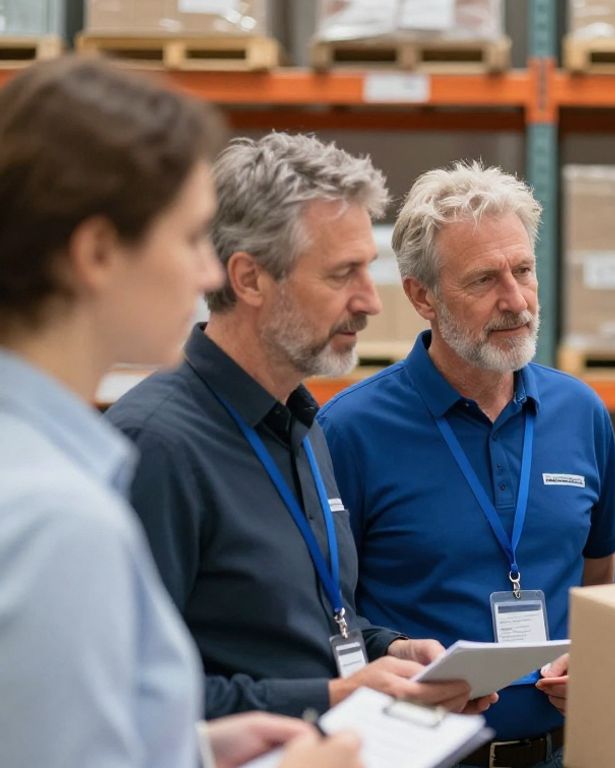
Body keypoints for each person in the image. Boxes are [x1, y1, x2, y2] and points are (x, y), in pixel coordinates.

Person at [0, 57, 359, 767]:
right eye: (191, 237)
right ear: (98, 253)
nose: (206, 274)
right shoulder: (57, 519)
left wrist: (191, 750)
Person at [107, 132, 492, 720]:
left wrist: (387, 651)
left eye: (369, 270)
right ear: (250, 279)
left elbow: (300, 629)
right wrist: (331, 696)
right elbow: (126, 693)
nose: (370, 302)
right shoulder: (157, 446)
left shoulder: (303, 425)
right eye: (342, 275)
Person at [318, 161, 615, 768]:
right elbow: (326, 609)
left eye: (524, 271)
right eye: (484, 280)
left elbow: (599, 579)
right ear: (421, 295)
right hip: (416, 753)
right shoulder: (350, 430)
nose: (515, 301)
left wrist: (592, 661)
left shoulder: (579, 412)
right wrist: (393, 650)